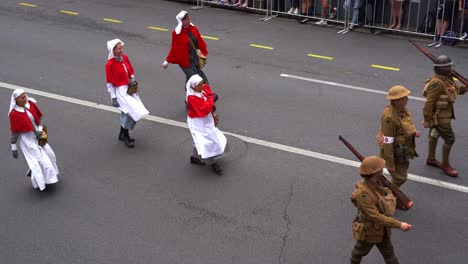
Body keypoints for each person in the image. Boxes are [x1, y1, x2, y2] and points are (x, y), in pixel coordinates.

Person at [350, 156, 412, 264]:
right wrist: (399, 224)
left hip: (383, 230)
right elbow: (375, 216)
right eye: (380, 169)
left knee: (389, 255)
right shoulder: (362, 194)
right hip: (369, 231)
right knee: (357, 254)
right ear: (375, 173)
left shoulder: (380, 183)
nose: (382, 170)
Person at [422, 55, 467, 177]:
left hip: (444, 114)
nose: (451, 67)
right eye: (448, 66)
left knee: (434, 134)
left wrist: (466, 87)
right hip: (440, 117)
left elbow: (456, 90)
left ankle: (431, 159)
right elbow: (429, 102)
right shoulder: (437, 83)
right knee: (450, 139)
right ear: (441, 68)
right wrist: (426, 119)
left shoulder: (447, 79)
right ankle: (445, 165)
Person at [9, 89, 59, 191]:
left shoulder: (30, 104)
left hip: (39, 135)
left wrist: (39, 130)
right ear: (16, 100)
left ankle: (46, 175)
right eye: (21, 98)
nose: (24, 99)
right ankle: (39, 181)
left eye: (25, 96)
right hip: (28, 140)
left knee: (50, 155)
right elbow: (15, 132)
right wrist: (13, 147)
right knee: (39, 160)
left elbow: (37, 117)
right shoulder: (14, 114)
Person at [106, 38, 149, 148]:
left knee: (127, 112)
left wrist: (132, 79)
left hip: (129, 89)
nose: (121, 50)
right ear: (113, 50)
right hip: (120, 91)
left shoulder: (124, 58)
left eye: (122, 48)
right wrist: (113, 97)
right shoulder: (109, 64)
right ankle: (126, 136)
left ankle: (122, 133)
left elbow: (131, 71)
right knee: (129, 112)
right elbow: (109, 83)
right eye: (119, 49)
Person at [378, 86, 420, 188]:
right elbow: (388, 141)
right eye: (404, 98)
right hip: (395, 152)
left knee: (402, 174)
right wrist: (390, 164)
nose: (407, 99)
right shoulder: (390, 117)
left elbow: (404, 125)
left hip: (404, 149)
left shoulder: (401, 109)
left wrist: (413, 132)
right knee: (400, 178)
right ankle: (388, 195)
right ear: (396, 101)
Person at [186, 74, 226, 175]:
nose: (202, 86)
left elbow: (208, 94)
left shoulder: (201, 89)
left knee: (200, 140)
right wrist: (212, 99)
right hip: (198, 122)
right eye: (199, 85)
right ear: (193, 86)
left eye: (202, 83)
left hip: (206, 120)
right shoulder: (191, 98)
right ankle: (213, 163)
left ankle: (194, 157)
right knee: (208, 141)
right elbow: (203, 108)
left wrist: (211, 98)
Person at [162, 11, 209, 88]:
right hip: (184, 61)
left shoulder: (193, 29)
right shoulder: (176, 33)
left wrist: (199, 50)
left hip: (194, 59)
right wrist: (167, 61)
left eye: (189, 19)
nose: (189, 21)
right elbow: (174, 48)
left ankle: (189, 97)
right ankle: (203, 94)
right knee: (197, 79)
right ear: (181, 21)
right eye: (186, 20)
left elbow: (198, 41)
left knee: (190, 79)